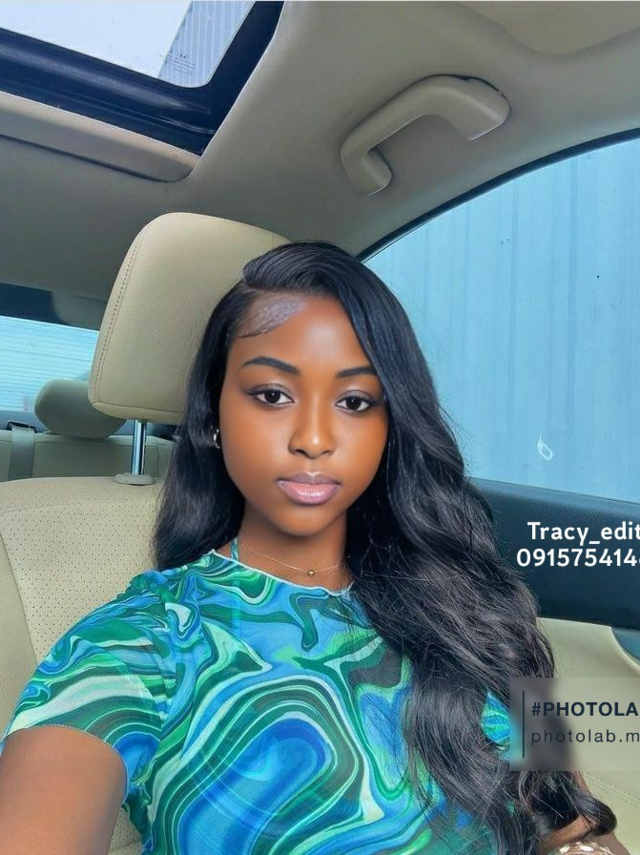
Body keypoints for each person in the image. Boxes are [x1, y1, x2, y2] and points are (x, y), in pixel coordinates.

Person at [0, 241, 629, 855]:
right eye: (272, 395)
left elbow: (575, 823)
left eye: (355, 402)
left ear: (390, 426)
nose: (314, 437)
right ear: (213, 415)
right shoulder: (145, 642)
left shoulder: (478, 606)